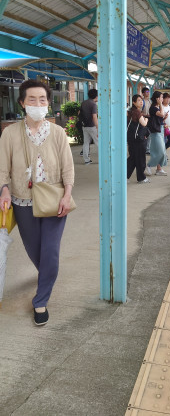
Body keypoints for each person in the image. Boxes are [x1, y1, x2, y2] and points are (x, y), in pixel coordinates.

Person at [0, 79, 74, 326]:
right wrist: (4, 191)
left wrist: (67, 194)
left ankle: (40, 300)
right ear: (22, 103)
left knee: (50, 252)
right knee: (35, 252)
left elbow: (68, 168)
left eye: (42, 99)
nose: (37, 104)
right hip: (22, 203)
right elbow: (2, 169)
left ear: (48, 103)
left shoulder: (58, 133)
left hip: (54, 202)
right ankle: (46, 276)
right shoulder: (9, 133)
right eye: (31, 99)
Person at [127, 94, 149, 184]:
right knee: (140, 159)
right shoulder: (137, 112)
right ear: (134, 102)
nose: (141, 102)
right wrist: (146, 120)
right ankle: (141, 178)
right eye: (139, 100)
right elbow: (143, 124)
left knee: (132, 158)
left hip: (131, 139)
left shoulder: (130, 111)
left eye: (141, 100)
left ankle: (124, 176)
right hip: (139, 140)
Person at [145, 91, 168, 176]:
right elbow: (161, 114)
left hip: (160, 130)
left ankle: (159, 169)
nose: (162, 99)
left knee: (161, 151)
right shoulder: (154, 108)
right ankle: (148, 166)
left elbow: (160, 118)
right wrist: (160, 104)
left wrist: (164, 119)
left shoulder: (157, 108)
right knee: (160, 151)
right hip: (155, 132)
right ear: (157, 98)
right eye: (161, 97)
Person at [80, 88, 98, 165]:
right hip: (92, 126)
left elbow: (79, 113)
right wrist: (98, 127)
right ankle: (103, 159)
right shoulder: (93, 104)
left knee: (86, 143)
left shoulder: (83, 103)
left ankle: (86, 160)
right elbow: (94, 117)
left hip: (84, 126)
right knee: (98, 142)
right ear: (96, 96)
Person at [141, 86, 152, 155]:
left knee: (149, 134)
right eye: (147, 92)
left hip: (149, 120)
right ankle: (144, 148)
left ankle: (147, 149)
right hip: (143, 119)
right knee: (144, 134)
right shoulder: (142, 102)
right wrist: (145, 115)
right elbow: (140, 111)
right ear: (143, 93)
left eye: (149, 92)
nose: (148, 93)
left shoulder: (150, 101)